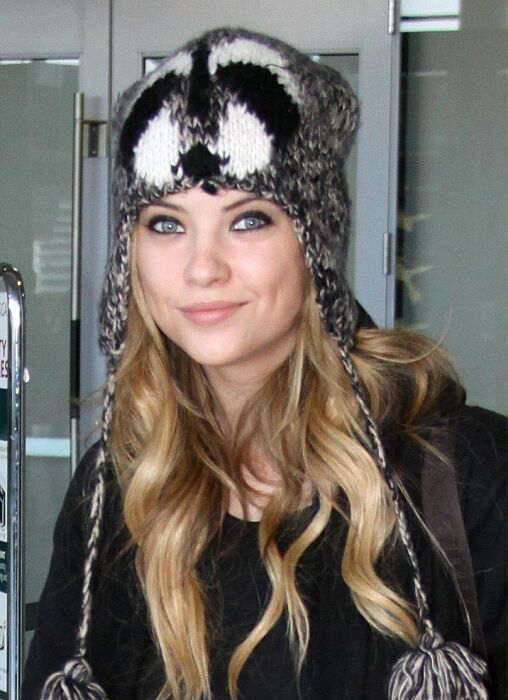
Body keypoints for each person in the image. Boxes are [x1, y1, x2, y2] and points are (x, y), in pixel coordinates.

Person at [22, 27, 505, 700]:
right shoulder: (114, 490)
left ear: (315, 243)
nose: (202, 268)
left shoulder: (466, 474)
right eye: (166, 223)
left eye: (248, 218)